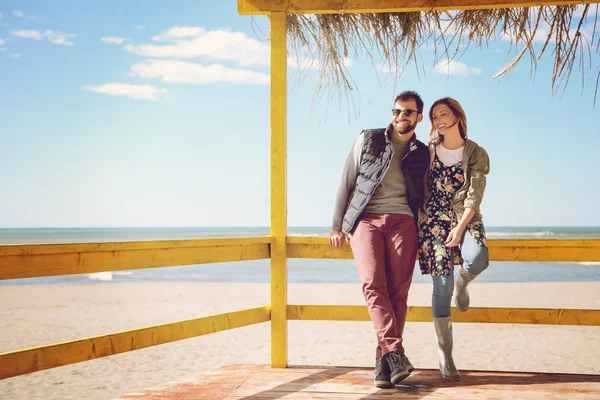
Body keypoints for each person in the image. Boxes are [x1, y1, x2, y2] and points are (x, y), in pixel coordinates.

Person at [329, 91, 429, 388]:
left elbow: (424, 193)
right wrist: (337, 226)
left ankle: (383, 366)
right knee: (373, 284)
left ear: (418, 117)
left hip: (404, 222)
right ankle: (395, 352)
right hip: (366, 220)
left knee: (398, 292)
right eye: (397, 111)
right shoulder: (368, 139)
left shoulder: (422, 152)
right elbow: (346, 180)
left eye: (408, 112)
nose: (401, 117)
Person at [417, 97, 490, 380]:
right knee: (441, 287)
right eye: (435, 116)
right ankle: (445, 355)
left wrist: (459, 229)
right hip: (434, 221)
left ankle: (464, 281)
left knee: (477, 258)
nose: (438, 120)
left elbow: (475, 194)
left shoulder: (476, 152)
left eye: (444, 114)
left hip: (465, 218)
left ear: (458, 116)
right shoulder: (429, 152)